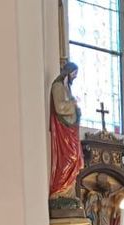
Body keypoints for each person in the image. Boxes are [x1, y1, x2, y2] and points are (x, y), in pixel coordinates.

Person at [49, 61, 83, 205]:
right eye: (74, 74)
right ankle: (60, 191)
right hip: (63, 132)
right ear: (68, 73)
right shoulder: (57, 86)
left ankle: (68, 192)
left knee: (76, 160)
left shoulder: (67, 88)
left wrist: (76, 109)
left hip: (71, 130)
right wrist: (73, 104)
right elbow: (59, 108)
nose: (74, 77)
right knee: (70, 158)